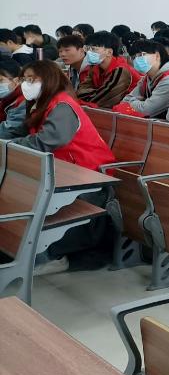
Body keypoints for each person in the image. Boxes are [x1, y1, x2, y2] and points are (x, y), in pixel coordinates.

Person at [9, 60, 117, 274]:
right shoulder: (41, 103)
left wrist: (10, 145)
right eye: (25, 79)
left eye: (32, 79)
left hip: (87, 174)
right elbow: (23, 133)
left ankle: (54, 253)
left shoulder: (62, 105)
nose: (26, 84)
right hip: (63, 169)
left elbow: (46, 141)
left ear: (49, 80)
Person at [112, 40, 169, 119]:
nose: (136, 60)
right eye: (133, 57)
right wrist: (140, 103)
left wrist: (134, 102)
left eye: (141, 55)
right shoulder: (147, 78)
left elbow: (145, 110)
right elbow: (124, 102)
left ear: (157, 56)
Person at [76, 31, 142, 108]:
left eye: (93, 49)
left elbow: (102, 100)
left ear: (109, 52)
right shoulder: (94, 67)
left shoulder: (121, 70)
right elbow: (79, 92)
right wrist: (96, 93)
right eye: (87, 49)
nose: (89, 52)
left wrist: (92, 93)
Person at [0, 59, 26, 138]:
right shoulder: (7, 99)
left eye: (0, 80)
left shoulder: (23, 102)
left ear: (17, 80)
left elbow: (7, 132)